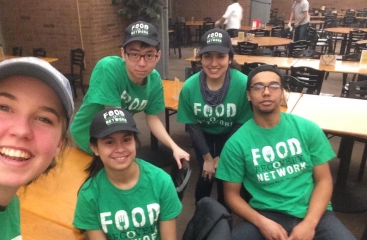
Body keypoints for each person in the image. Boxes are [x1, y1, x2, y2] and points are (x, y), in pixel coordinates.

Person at [216, 65, 356, 240]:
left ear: (282, 92)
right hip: (266, 214)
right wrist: (262, 222)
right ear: (248, 95)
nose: (266, 92)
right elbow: (231, 195)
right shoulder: (236, 144)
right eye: (258, 87)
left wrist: (310, 223)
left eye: (274, 86)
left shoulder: (307, 129)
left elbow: (324, 180)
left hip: (312, 212)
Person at [70, 20, 189, 169]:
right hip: (84, 138)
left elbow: (153, 119)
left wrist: (174, 147)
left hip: (112, 143)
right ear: (123, 54)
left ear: (158, 56)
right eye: (134, 54)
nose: (141, 63)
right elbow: (115, 119)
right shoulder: (108, 68)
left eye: (149, 55)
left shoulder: (154, 79)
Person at [0, 57, 74, 239]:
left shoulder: (9, 201)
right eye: (4, 107)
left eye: (44, 119)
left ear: (59, 145)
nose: (21, 130)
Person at [73, 107, 182, 239]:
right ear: (95, 148)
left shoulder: (162, 182)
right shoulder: (89, 195)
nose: (120, 149)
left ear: (135, 141)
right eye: (109, 142)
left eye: (126, 140)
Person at [177, 28, 252, 207]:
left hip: (232, 135)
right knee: (206, 175)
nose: (213, 63)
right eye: (207, 56)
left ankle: (224, 218)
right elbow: (193, 126)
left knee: (226, 178)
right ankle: (201, 214)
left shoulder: (242, 84)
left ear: (230, 58)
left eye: (220, 56)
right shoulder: (189, 87)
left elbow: (241, 123)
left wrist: (222, 157)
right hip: (203, 135)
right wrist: (208, 159)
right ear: (200, 59)